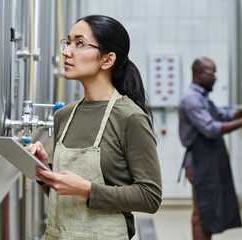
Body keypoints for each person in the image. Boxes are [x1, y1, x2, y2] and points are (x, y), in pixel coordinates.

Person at [26, 15, 162, 240]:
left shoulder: (130, 118)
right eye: (67, 42)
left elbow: (150, 196)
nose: (66, 51)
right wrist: (45, 172)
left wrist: (87, 189)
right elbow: (66, 198)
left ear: (107, 60)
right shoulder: (64, 116)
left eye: (79, 43)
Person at [178, 57, 242, 240]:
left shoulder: (202, 97)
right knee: (202, 212)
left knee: (211, 210)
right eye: (212, 73)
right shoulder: (191, 99)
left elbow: (224, 116)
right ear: (200, 73)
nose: (215, 77)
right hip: (199, 163)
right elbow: (211, 129)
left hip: (208, 162)